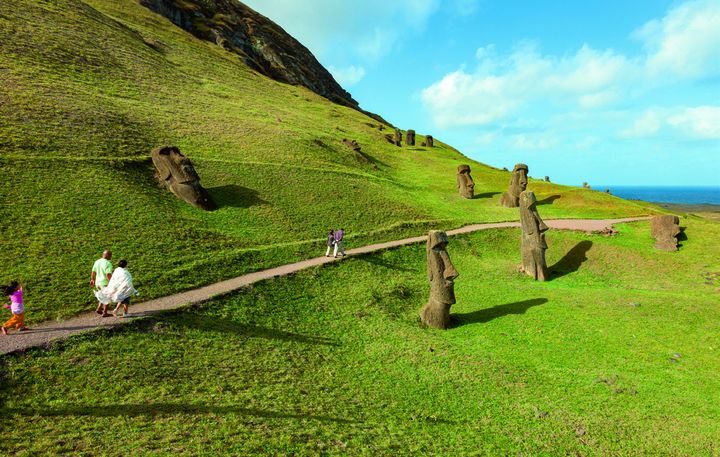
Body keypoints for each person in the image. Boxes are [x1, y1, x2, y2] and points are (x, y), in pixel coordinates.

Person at [90, 250, 113, 316]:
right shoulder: (108, 263)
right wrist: (111, 282)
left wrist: (92, 279)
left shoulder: (97, 261)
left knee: (103, 296)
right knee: (107, 297)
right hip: (104, 282)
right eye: (110, 255)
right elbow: (108, 274)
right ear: (107, 255)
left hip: (98, 283)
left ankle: (99, 308)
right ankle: (105, 312)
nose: (111, 257)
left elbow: (93, 271)